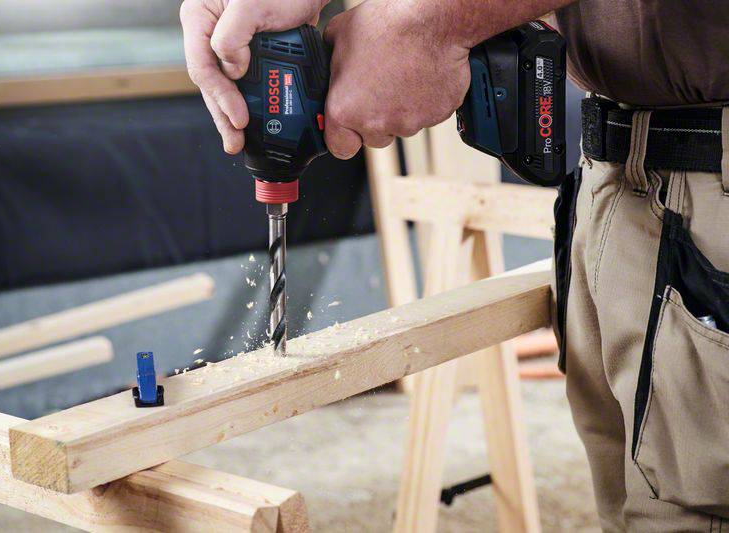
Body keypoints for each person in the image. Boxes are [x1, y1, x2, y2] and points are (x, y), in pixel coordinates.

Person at [180, 1, 729, 530]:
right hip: (618, 167)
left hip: (709, 176)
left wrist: (432, 20)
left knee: (694, 509)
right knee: (636, 501)